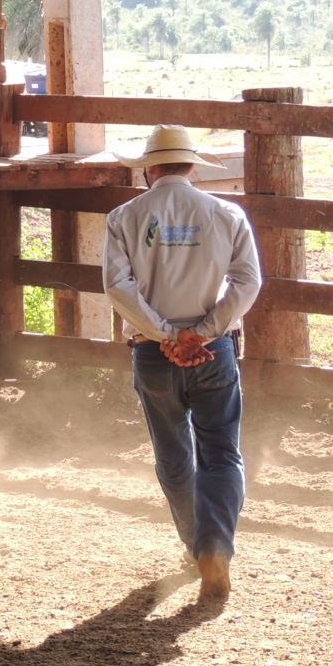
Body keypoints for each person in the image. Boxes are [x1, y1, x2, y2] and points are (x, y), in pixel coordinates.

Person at [101, 124, 262, 600]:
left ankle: (196, 544)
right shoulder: (226, 213)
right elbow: (247, 283)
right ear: (191, 165)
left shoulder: (124, 216)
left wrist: (167, 336)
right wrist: (204, 332)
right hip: (214, 352)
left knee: (173, 456)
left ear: (149, 168)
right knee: (221, 453)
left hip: (153, 354)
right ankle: (214, 546)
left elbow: (118, 287)